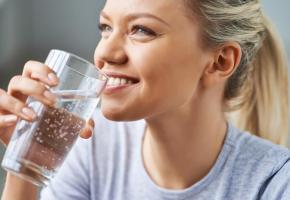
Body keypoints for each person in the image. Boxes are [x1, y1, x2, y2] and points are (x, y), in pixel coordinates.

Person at [0, 0, 289, 199]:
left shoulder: (274, 182)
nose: (105, 54)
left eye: (142, 30)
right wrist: (26, 164)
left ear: (220, 61)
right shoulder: (93, 147)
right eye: (105, 27)